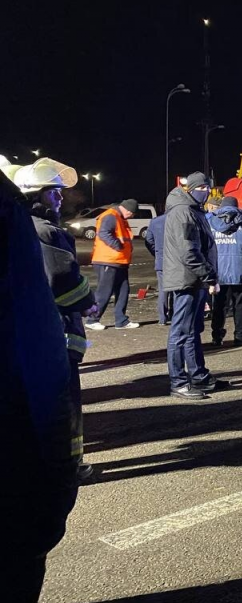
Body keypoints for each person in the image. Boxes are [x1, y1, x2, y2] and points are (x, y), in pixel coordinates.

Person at [0, 170, 79, 601]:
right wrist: (58, 474)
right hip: (15, 446)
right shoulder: (26, 224)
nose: (60, 199)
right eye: (55, 192)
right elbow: (36, 351)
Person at [16, 158, 97, 483]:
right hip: (57, 334)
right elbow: (63, 279)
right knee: (64, 405)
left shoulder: (20, 225)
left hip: (30, 333)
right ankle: (69, 466)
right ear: (38, 196)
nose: (61, 198)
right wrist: (88, 302)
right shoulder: (46, 231)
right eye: (54, 193)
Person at [162, 172, 221, 400]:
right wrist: (209, 277)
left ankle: (199, 376)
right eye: (203, 188)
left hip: (193, 279)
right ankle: (178, 382)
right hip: (187, 280)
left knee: (192, 331)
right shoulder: (184, 212)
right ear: (192, 189)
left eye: (208, 188)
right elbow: (189, 252)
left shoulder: (192, 210)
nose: (207, 192)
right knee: (180, 332)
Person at [207, 196, 242, 347]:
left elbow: (204, 244)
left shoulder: (211, 222)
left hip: (218, 271)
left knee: (219, 305)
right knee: (240, 305)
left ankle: (217, 336)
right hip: (240, 268)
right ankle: (240, 336)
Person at [85, 199, 139, 330]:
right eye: (132, 213)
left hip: (119, 261)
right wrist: (118, 246)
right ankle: (92, 320)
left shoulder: (118, 216)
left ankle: (121, 320)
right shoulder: (111, 216)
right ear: (126, 209)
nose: (132, 216)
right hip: (108, 260)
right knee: (104, 291)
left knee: (123, 290)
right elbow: (104, 233)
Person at [144, 212, 170, 325]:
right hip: (178, 261)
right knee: (178, 289)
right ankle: (175, 314)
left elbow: (149, 240)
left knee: (163, 290)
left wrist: (157, 252)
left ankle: (162, 318)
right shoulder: (180, 218)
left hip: (162, 260)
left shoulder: (155, 221)